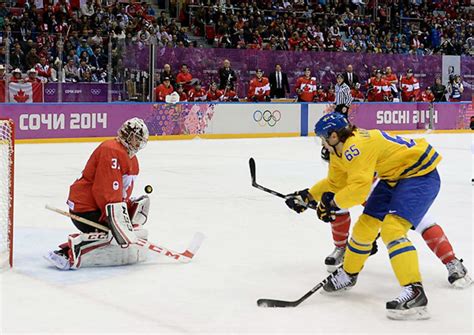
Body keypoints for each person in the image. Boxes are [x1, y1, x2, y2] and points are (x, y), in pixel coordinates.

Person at [286, 112, 471, 320]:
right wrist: (309, 195)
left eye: (323, 137)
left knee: (392, 229)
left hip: (419, 175)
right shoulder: (340, 151)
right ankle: (348, 274)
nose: (322, 142)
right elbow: (336, 183)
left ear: (334, 136)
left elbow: (358, 190)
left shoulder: (354, 147)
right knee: (364, 226)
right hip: (394, 176)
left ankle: (415, 293)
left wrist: (332, 203)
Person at [44, 118, 151, 270]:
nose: (139, 144)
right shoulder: (112, 150)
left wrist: (126, 209)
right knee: (113, 235)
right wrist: (112, 219)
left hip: (99, 206)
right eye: (137, 139)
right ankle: (68, 252)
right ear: (128, 135)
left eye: (141, 140)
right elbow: (105, 190)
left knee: (124, 232)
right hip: (85, 208)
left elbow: (120, 191)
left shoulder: (131, 159)